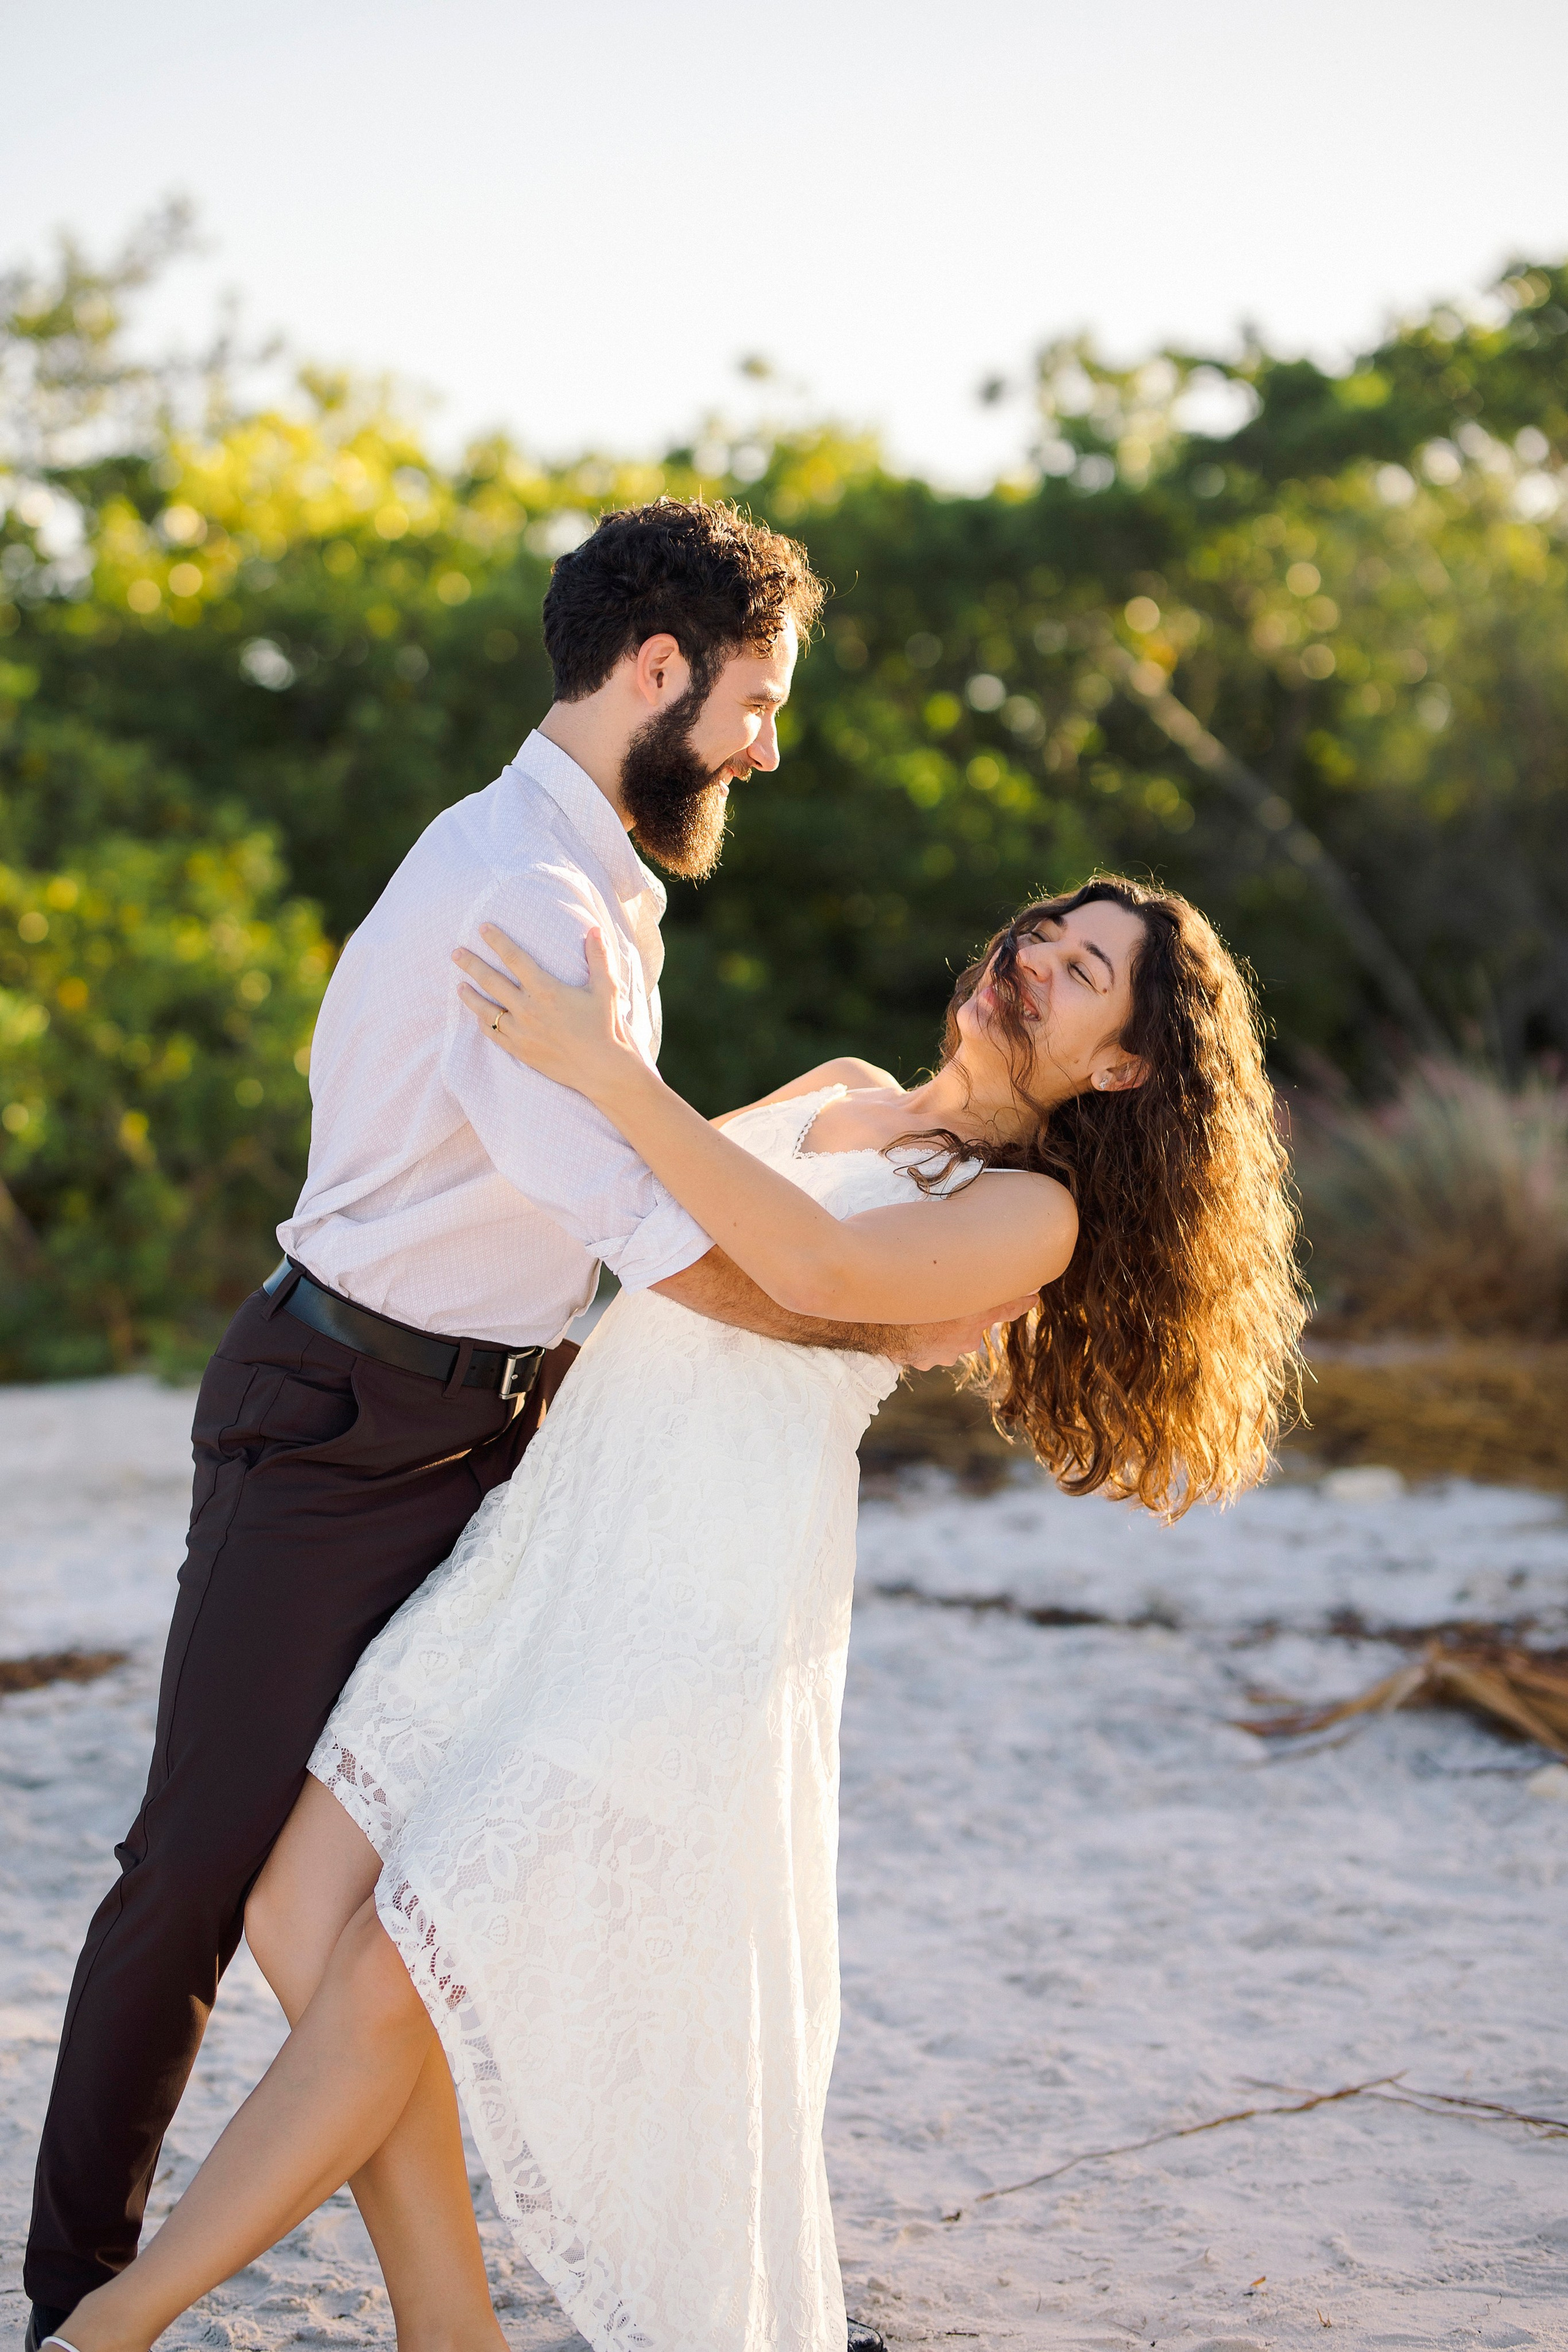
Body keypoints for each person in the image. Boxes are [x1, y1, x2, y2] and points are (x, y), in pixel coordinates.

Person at [42, 876, 1305, 2352]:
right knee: (293, 1908)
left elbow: (809, 1262)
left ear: (1123, 1067)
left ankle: (111, 2331)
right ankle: (452, 2330)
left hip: (696, 1592)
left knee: (397, 1963)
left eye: (1084, 971)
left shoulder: (1027, 1212)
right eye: (1043, 933)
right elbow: (657, 1227)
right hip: (547, 1544)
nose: (1034, 960)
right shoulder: (836, 1088)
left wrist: (602, 1065)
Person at [23, 497, 1005, 2352]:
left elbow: (647, 1178)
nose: (765, 749)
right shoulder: (524, 899)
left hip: (505, 1437)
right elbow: (660, 1245)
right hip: (339, 1418)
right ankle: (76, 2301)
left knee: (411, 1894)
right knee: (197, 1871)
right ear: (657, 670)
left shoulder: (593, 879)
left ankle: (460, 2317)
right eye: (756, 704)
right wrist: (871, 1325)